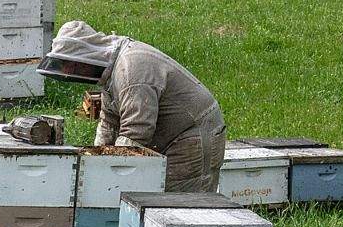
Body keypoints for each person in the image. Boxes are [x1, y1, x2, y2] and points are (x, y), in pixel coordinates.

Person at [41, 21, 226, 195]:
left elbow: (136, 130)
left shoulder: (131, 72)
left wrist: (110, 170)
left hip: (192, 133)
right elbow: (110, 120)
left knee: (178, 204)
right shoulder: (113, 69)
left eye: (69, 67)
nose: (68, 73)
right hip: (170, 133)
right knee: (154, 201)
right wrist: (95, 159)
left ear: (81, 59)